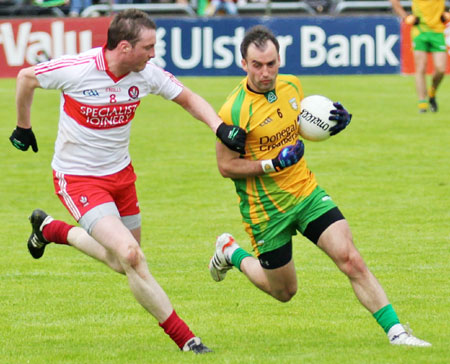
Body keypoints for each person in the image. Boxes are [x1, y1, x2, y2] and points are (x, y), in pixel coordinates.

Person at [9, 8, 245, 354]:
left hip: (121, 177)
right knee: (131, 256)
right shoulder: (78, 69)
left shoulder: (145, 74)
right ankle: (188, 341)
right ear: (123, 48)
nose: (153, 54)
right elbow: (26, 78)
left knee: (122, 261)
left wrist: (219, 128)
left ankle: (50, 230)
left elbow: (188, 98)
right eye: (148, 47)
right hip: (78, 179)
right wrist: (23, 126)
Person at [208, 25, 431, 347]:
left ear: (279, 59)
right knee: (284, 292)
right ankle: (231, 251)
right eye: (257, 65)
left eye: (271, 63)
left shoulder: (292, 86)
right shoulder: (233, 110)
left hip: (306, 193)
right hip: (266, 210)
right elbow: (226, 166)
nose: (265, 72)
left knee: (350, 258)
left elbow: (296, 126)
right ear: (243, 63)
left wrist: (332, 123)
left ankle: (397, 333)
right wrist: (272, 164)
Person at [390, 0, 450, 113]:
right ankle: (422, 104)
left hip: (438, 32)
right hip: (420, 31)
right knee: (420, 67)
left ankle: (432, 92)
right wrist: (405, 17)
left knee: (441, 69)